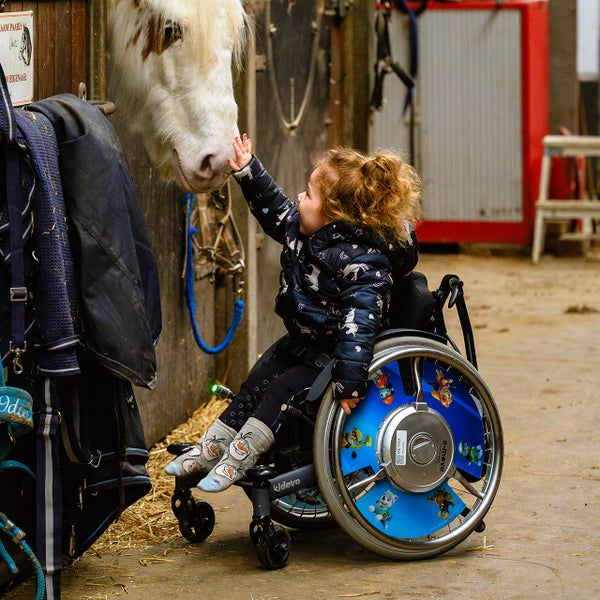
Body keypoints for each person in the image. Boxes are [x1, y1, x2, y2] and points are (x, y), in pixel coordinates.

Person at [165, 134, 422, 492]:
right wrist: (248, 170)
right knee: (255, 382)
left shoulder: (364, 263)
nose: (299, 198)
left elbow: (359, 326)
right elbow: (276, 210)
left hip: (332, 359)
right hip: (303, 343)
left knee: (280, 391)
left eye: (309, 195)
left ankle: (239, 459)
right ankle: (211, 449)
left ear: (334, 216)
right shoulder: (308, 232)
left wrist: (349, 382)